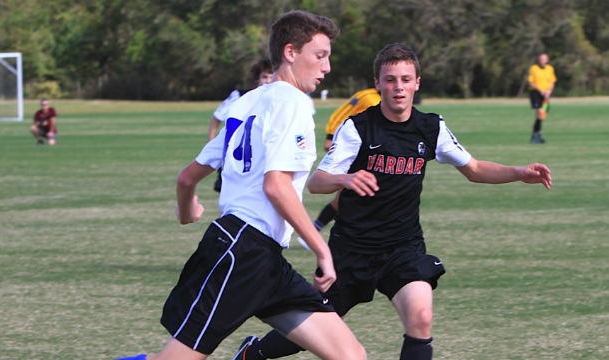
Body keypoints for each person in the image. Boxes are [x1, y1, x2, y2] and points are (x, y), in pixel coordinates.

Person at [233, 43, 552, 360]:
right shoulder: (358, 128)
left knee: (421, 316)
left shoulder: (431, 127)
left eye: (405, 79)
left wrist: (519, 172)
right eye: (389, 79)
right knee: (313, 331)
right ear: (377, 83)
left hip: (403, 247)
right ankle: (254, 352)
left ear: (417, 83)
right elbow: (316, 183)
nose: (397, 87)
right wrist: (345, 178)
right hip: (351, 250)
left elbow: (475, 169)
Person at [115, 10, 366, 360]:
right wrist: (322, 250)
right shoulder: (293, 102)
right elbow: (275, 187)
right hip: (242, 251)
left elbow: (187, 178)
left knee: (349, 354)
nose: (327, 67)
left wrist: (187, 210)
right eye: (320, 56)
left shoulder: (245, 103)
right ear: (290, 52)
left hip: (264, 258)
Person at [296, 88, 381, 251]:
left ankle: (312, 233)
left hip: (369, 152)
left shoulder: (381, 99)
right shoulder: (367, 97)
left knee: (343, 199)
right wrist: (330, 135)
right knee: (348, 197)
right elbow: (341, 113)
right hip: (353, 150)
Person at [209, 59, 274, 192]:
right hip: (236, 154)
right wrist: (211, 145)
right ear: (257, 78)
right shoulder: (239, 96)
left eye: (271, 77)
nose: (268, 80)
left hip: (261, 157)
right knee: (228, 195)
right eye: (264, 76)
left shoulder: (278, 100)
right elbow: (217, 118)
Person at [527, 53, 556, 144]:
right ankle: (536, 135)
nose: (542, 61)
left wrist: (549, 92)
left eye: (544, 59)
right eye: (540, 59)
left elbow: (552, 82)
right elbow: (530, 83)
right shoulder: (533, 68)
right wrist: (541, 90)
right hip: (535, 93)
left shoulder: (550, 69)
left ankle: (536, 135)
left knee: (541, 114)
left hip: (545, 94)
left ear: (547, 60)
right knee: (540, 112)